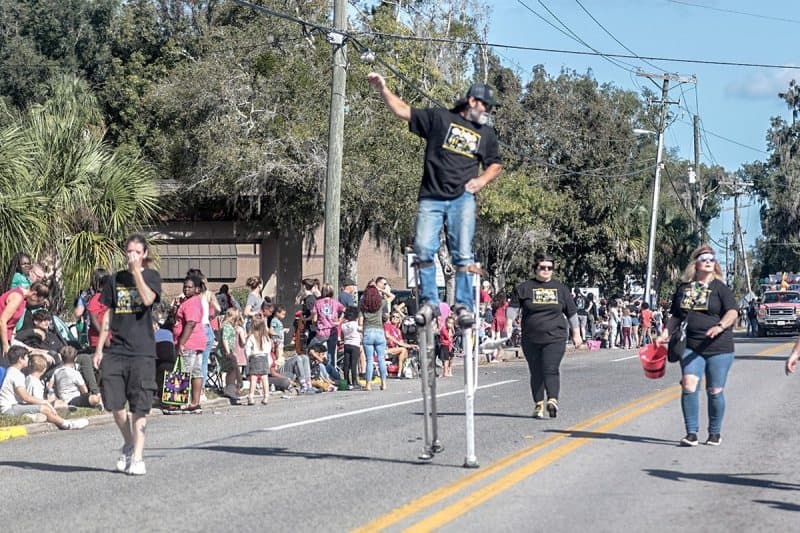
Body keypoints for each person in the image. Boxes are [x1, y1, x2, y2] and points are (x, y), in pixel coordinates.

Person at [368, 72, 503, 322]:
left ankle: (462, 306)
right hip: (432, 197)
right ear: (472, 101)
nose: (487, 111)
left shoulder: (486, 134)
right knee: (423, 248)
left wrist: (482, 180)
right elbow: (403, 111)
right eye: (485, 105)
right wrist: (382, 89)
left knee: (462, 253)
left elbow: (495, 164)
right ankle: (430, 301)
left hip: (462, 198)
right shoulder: (440, 119)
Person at [93, 234, 162, 476]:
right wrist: (100, 348)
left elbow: (147, 299)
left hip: (142, 351)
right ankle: (130, 443)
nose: (131, 255)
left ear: (144, 254)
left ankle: (139, 458)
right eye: (128, 251)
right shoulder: (114, 280)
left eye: (136, 251)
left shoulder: (151, 277)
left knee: (140, 406)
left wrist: (136, 273)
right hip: (116, 349)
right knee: (114, 404)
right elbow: (108, 316)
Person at [655, 245, 737, 447]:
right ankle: (691, 433)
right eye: (704, 259)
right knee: (689, 385)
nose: (709, 262)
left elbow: (733, 312)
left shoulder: (720, 288)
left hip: (719, 347)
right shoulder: (684, 289)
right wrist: (665, 333)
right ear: (696, 264)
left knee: (714, 390)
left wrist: (720, 326)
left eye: (712, 259)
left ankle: (715, 433)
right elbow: (675, 315)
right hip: (691, 346)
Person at [507, 252, 583, 419]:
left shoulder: (561, 289)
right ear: (535, 268)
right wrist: (507, 325)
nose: (546, 270)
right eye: (542, 267)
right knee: (536, 372)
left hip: (555, 337)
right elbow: (513, 308)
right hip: (531, 338)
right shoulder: (524, 288)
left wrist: (576, 334)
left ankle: (553, 400)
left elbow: (572, 313)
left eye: (550, 268)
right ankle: (539, 404)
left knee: (550, 368)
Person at [0, 346, 88, 429]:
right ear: (20, 359)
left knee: (44, 408)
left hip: (14, 406)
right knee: (44, 408)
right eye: (26, 357)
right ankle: (67, 425)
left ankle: (35, 417)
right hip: (9, 408)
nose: (28, 359)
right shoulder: (16, 374)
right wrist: (44, 402)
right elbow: (25, 397)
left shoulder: (11, 371)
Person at [171, 273, 206, 414]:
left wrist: (181, 343)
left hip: (190, 342)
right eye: (185, 287)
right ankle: (194, 403)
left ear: (197, 289)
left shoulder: (192, 303)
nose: (186, 289)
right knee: (196, 372)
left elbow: (190, 323)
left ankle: (178, 402)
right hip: (197, 342)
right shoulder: (191, 301)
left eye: (190, 287)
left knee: (183, 371)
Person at [1, 282, 49, 356]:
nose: (37, 304)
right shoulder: (17, 297)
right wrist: (5, 346)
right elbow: (2, 321)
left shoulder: (23, 299)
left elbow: (12, 322)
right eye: (38, 301)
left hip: (8, 337)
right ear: (34, 295)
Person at [360, 284, 388, 391]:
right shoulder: (381, 303)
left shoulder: (362, 304)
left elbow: (360, 322)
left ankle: (368, 384)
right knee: (381, 359)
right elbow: (392, 296)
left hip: (368, 331)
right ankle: (384, 383)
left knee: (369, 360)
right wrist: (380, 289)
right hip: (379, 331)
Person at [245, 316, 271, 405]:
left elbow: (247, 349)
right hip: (264, 358)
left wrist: (248, 357)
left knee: (254, 378)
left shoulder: (251, 337)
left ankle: (251, 396)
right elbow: (268, 349)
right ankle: (266, 396)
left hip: (254, 358)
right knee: (264, 378)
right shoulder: (266, 337)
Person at [340, 306, 362, 389]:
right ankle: (354, 381)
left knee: (346, 364)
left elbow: (342, 336)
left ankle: (346, 381)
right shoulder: (355, 324)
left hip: (346, 344)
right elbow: (360, 329)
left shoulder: (344, 325)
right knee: (354, 363)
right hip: (355, 344)